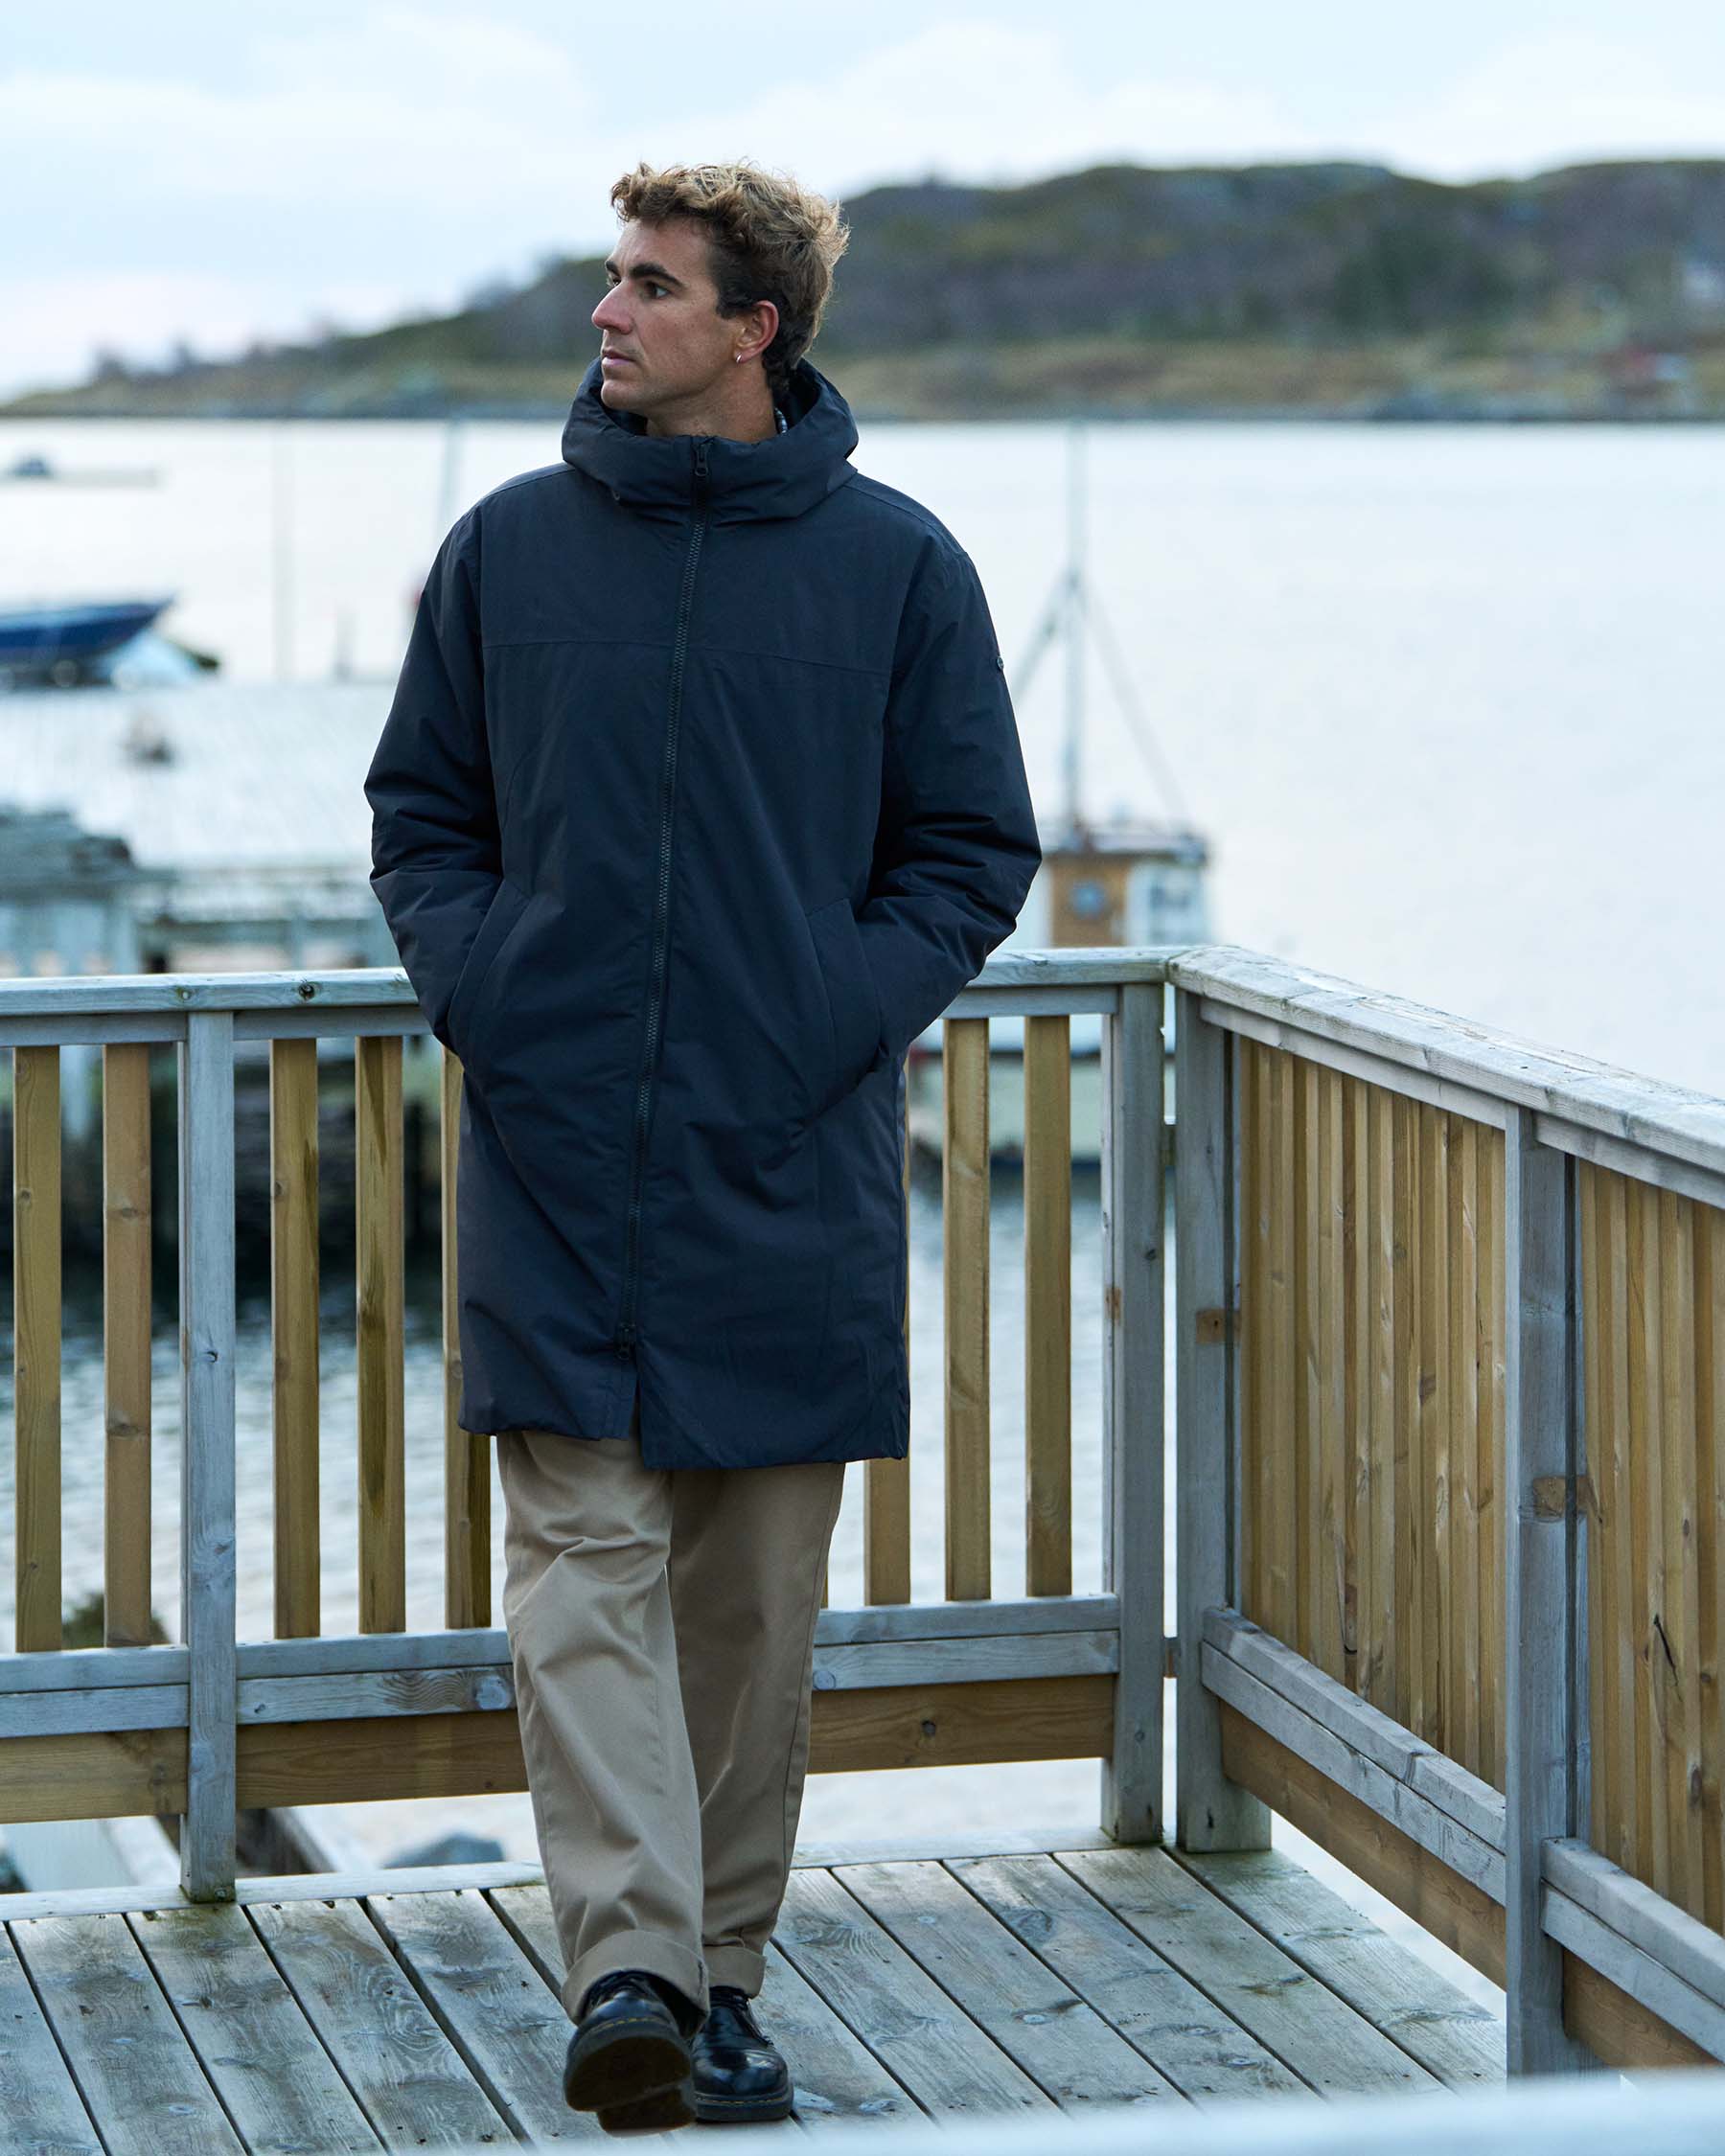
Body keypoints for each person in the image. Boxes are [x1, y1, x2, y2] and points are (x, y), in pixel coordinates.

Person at [364, 158, 1041, 2133]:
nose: (609, 311)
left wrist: (829, 1009)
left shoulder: (898, 569)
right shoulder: (506, 551)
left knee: (748, 1612)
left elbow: (969, 851)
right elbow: (422, 816)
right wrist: (492, 986)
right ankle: (634, 1973)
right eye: (613, 278)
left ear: (756, 329)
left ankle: (717, 1981)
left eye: (653, 286)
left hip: (786, 1159)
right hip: (556, 1149)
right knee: (578, 1581)